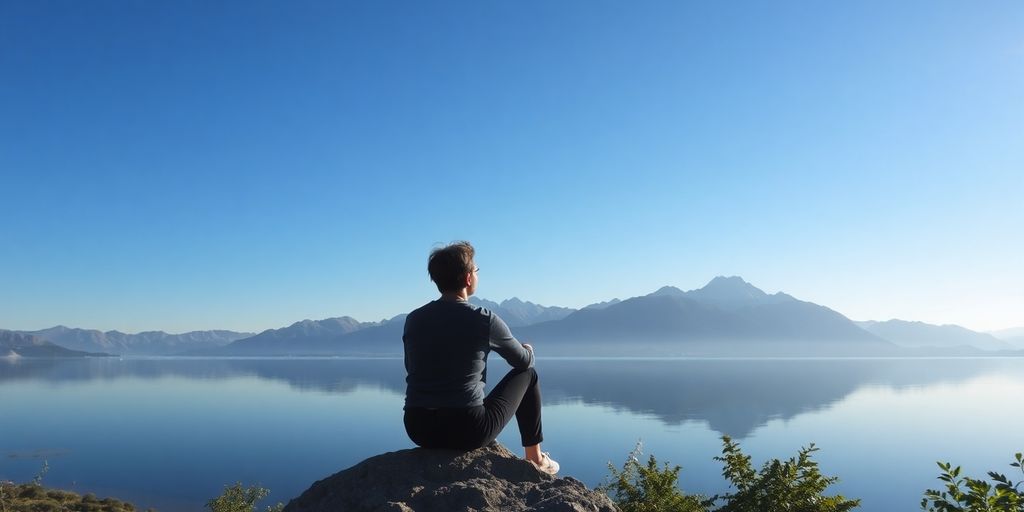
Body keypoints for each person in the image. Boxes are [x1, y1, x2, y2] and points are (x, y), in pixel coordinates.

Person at [403, 241, 559, 475]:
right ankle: (535, 458)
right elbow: (523, 362)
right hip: (467, 430)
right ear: (467, 278)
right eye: (476, 270)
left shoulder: (414, 319)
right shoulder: (483, 318)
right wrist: (529, 350)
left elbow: (412, 368)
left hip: (418, 427)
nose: (476, 275)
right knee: (529, 375)